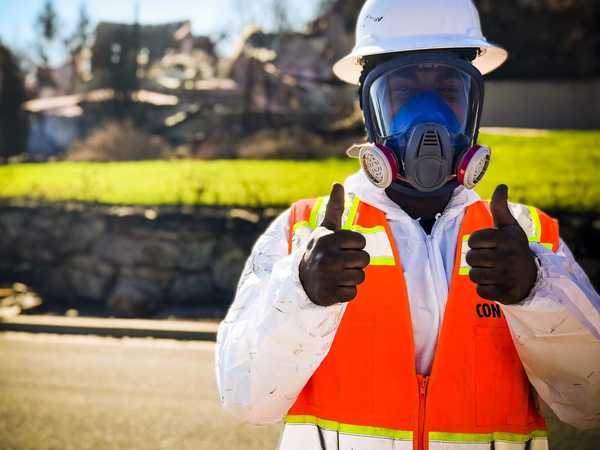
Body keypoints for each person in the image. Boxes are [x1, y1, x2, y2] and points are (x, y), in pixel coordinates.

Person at [215, 1, 600, 449]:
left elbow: (590, 406)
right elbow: (244, 399)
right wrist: (301, 295)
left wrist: (538, 294)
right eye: (402, 92)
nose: (427, 114)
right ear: (368, 106)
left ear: (473, 103)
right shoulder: (302, 234)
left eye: (448, 90)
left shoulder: (532, 242)